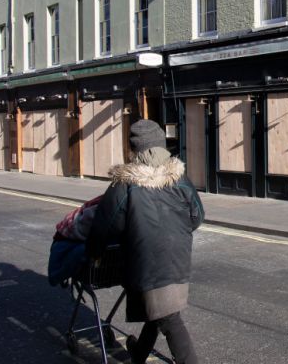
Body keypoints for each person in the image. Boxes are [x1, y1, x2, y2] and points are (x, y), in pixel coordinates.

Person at [77, 119, 204, 364]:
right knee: (160, 311)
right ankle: (138, 354)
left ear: (134, 149)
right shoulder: (180, 179)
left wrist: (94, 253)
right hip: (177, 260)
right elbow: (197, 216)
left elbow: (104, 227)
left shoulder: (124, 186)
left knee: (168, 319)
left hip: (144, 263)